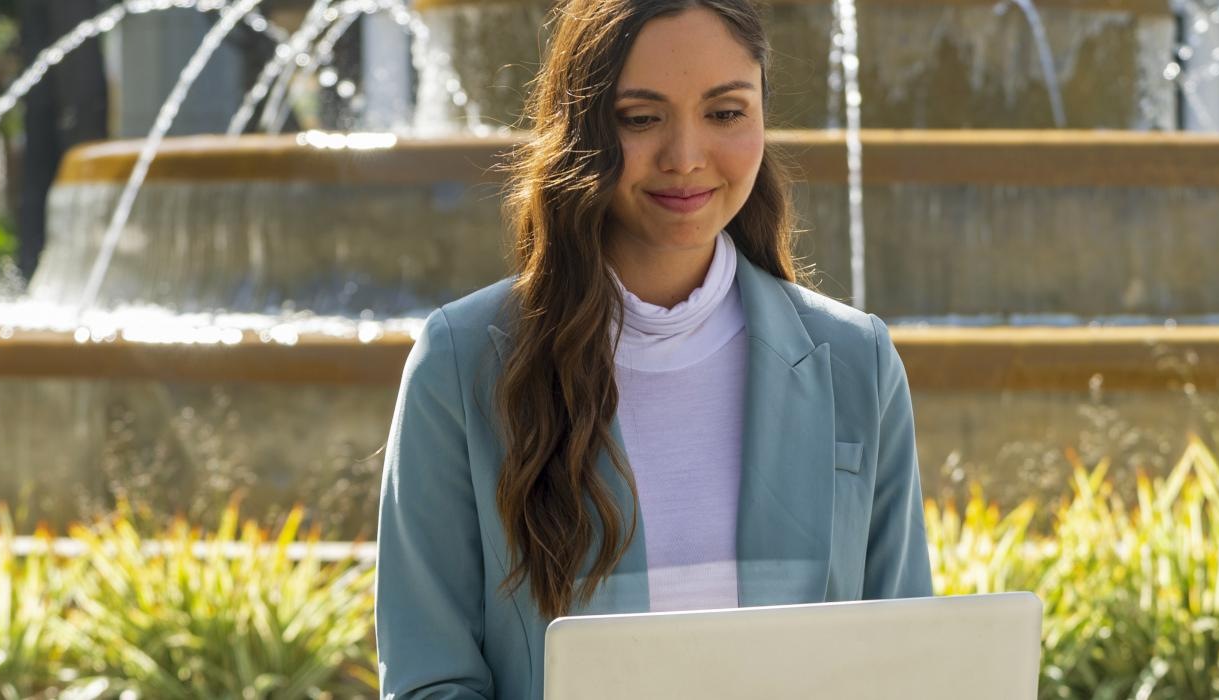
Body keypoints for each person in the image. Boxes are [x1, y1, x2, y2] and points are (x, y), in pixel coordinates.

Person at [372, 0, 933, 696]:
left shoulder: (857, 363)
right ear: (582, 128)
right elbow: (431, 678)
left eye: (725, 113)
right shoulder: (462, 364)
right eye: (641, 118)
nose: (686, 157)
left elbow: (907, 665)